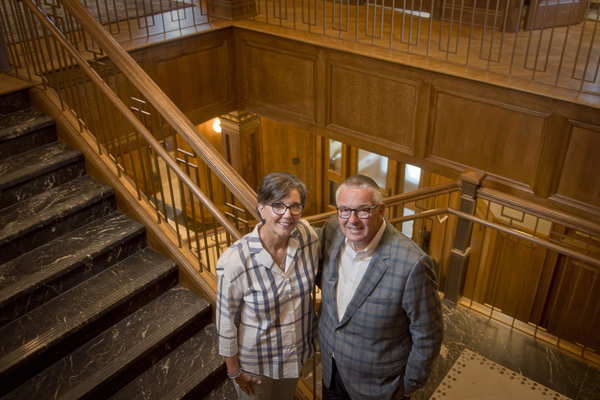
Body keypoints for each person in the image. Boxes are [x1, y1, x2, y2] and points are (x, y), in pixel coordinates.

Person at [318, 174, 443, 400]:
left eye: (363, 210)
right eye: (344, 210)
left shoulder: (412, 264)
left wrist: (408, 385)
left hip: (378, 388)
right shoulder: (332, 229)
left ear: (381, 210)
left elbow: (428, 335)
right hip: (331, 370)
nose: (352, 220)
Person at [216, 172, 319, 400]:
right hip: (257, 365)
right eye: (278, 205)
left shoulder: (307, 238)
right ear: (261, 209)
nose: (287, 214)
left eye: (295, 206)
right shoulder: (236, 260)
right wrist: (234, 371)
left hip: (295, 355)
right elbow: (226, 322)